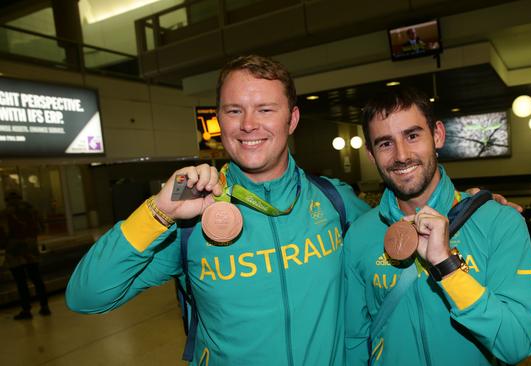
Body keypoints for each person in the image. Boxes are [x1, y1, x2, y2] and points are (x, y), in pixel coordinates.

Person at [65, 55, 371, 365]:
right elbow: (86, 296)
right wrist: (159, 210)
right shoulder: (189, 217)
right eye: (234, 110)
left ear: (291, 120)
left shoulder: (335, 201)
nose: (248, 125)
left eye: (265, 110)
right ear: (219, 120)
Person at [344, 87, 531, 365]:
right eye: (385, 143)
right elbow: (354, 340)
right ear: (371, 154)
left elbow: (516, 343)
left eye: (412, 136)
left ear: (437, 135)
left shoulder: (500, 223)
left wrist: (448, 267)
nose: (401, 155)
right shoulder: (359, 236)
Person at [0, 191, 50, 320]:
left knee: (21, 282)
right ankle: (45, 307)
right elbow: (41, 228)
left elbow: (3, 234)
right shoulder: (32, 210)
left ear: (7, 199)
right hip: (31, 250)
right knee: (37, 279)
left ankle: (26, 310)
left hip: (14, 252)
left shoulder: (5, 213)